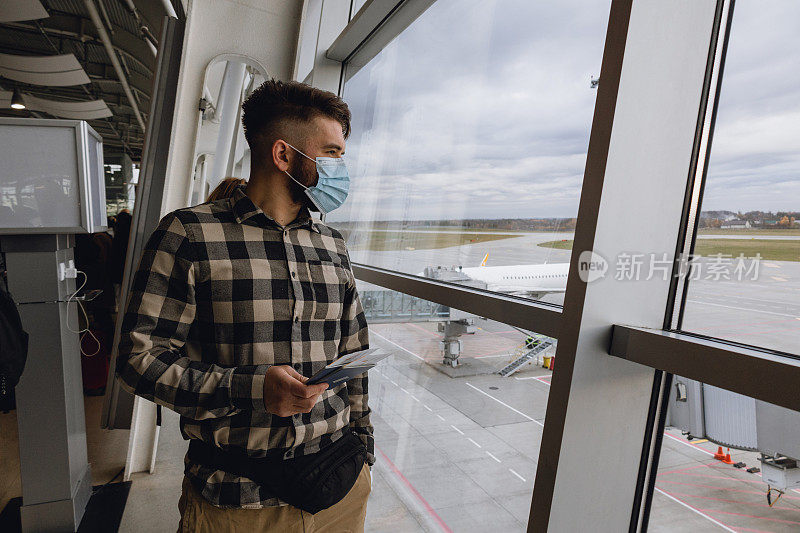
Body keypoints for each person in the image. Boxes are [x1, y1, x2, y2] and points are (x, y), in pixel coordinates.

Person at [117, 79, 372, 532]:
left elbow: (355, 355)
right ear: (283, 155)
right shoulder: (189, 235)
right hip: (238, 498)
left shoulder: (332, 244)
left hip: (339, 485)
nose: (340, 168)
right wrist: (252, 389)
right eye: (332, 153)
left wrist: (364, 447)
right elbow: (139, 360)